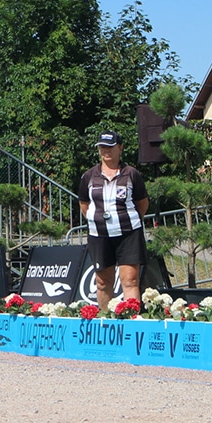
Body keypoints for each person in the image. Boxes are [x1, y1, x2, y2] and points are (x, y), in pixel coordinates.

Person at [78, 131, 149, 312]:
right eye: (102, 147)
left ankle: (132, 322)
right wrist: (99, 221)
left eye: (110, 147)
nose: (106, 151)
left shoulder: (131, 174)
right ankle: (106, 319)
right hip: (99, 235)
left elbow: (142, 204)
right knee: (102, 282)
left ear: (120, 148)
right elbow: (84, 205)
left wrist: (125, 221)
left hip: (128, 234)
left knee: (130, 279)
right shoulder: (88, 176)